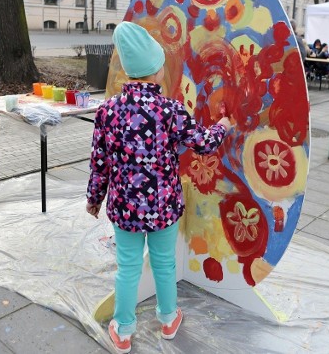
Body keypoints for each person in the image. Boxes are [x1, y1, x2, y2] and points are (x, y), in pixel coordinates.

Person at [86, 21, 232, 353]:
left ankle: (123, 330)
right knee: (165, 263)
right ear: (155, 73)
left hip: (124, 209)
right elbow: (204, 143)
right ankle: (168, 319)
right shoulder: (170, 110)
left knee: (128, 267)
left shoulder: (108, 111)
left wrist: (95, 198)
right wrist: (223, 124)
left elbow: (100, 161)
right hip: (164, 207)